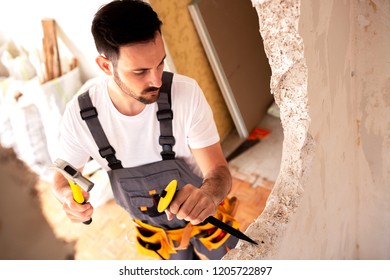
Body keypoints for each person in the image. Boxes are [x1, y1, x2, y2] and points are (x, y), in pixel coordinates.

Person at [52, 0, 239, 260]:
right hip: (157, 234)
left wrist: (209, 194)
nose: (156, 80)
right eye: (140, 71)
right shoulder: (80, 115)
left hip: (207, 220)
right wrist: (66, 197)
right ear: (106, 65)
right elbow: (63, 175)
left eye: (160, 63)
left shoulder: (185, 94)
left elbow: (219, 171)